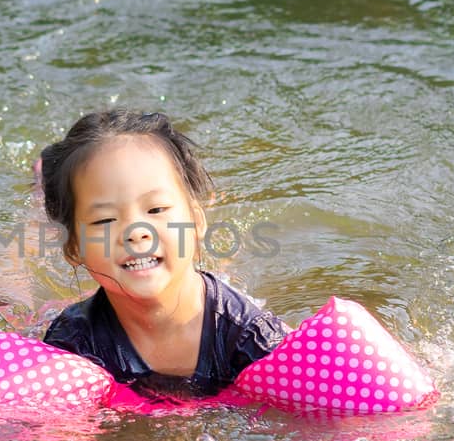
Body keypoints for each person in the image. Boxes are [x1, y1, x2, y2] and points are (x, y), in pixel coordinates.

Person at [37, 109, 289, 400]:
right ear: (74, 248)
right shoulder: (75, 343)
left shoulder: (249, 336)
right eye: (104, 220)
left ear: (195, 221)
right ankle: (38, 190)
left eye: (156, 209)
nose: (136, 231)